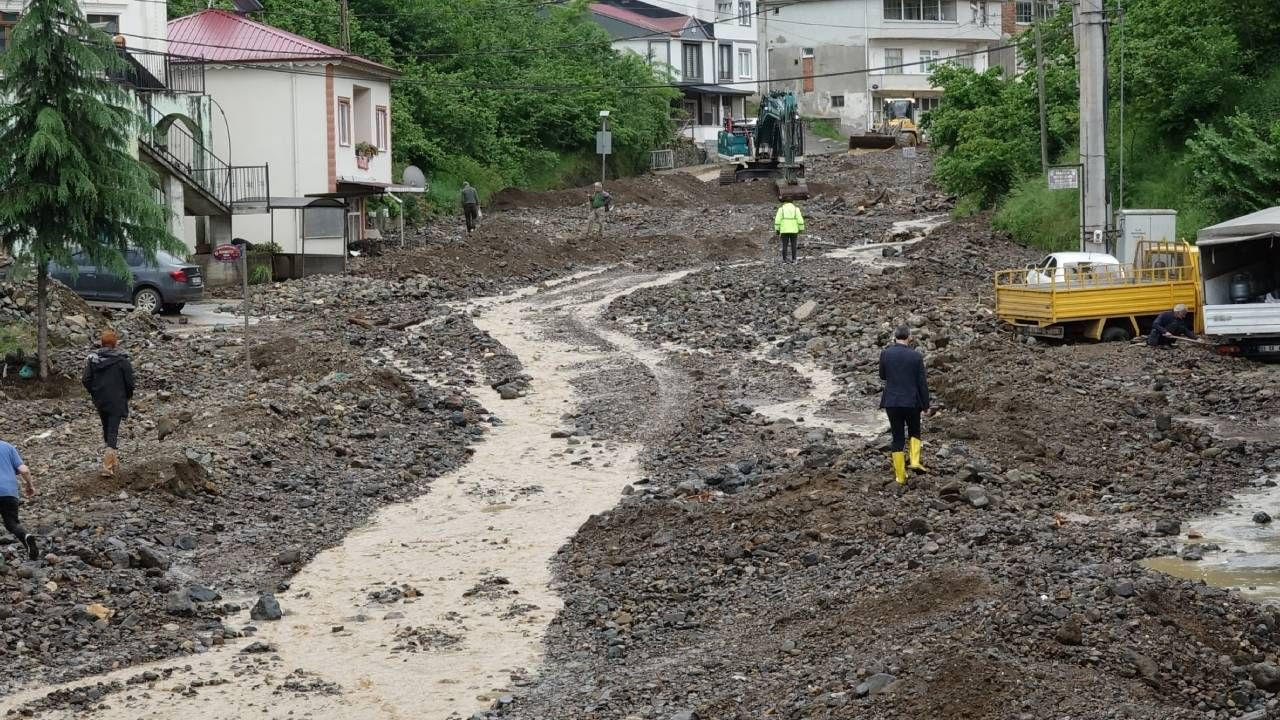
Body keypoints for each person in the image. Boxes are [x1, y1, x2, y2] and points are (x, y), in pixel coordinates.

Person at [879, 325, 931, 485]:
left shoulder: (886, 353)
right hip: (911, 402)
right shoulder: (916, 356)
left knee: (897, 438)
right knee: (914, 431)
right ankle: (915, 461)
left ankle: (900, 476)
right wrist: (926, 405)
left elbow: (882, 376)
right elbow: (922, 383)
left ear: (894, 337)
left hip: (892, 402)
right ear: (909, 338)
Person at [83, 329, 134, 478]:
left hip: (100, 400)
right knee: (113, 430)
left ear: (101, 343)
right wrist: (126, 395)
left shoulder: (93, 359)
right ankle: (107, 466)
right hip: (117, 400)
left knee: (106, 428)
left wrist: (95, 392)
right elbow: (130, 383)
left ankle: (113, 461)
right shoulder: (122, 361)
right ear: (115, 343)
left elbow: (86, 380)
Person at [0, 438, 39, 561]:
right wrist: (30, 485)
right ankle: (26, 536)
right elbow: (24, 470)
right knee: (12, 523)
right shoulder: (8, 447)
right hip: (9, 492)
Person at [773, 198, 805, 264]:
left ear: (784, 202)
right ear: (792, 202)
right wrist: (801, 229)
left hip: (784, 230)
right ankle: (794, 259)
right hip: (794, 230)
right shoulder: (796, 209)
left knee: (784, 245)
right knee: (794, 245)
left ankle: (784, 259)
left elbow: (777, 220)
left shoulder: (781, 209)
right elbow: (800, 220)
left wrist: (777, 229)